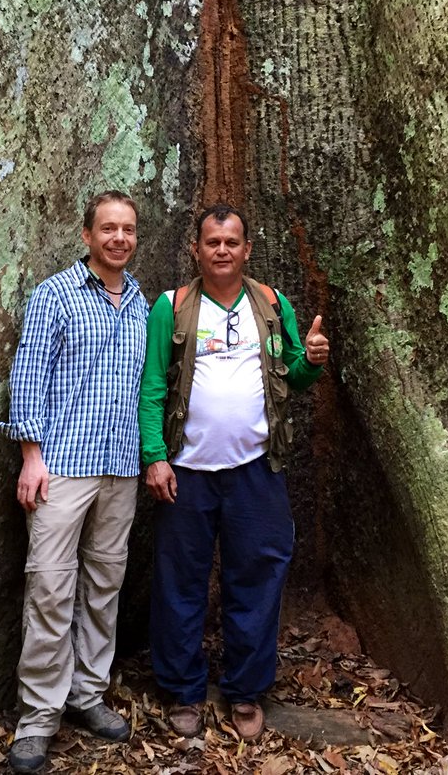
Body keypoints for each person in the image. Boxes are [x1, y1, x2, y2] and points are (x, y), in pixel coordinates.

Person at [138, 203, 329, 742]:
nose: (222, 250)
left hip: (256, 470)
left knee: (258, 578)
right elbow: (153, 387)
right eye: (212, 242)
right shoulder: (170, 307)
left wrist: (311, 358)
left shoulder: (271, 304)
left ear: (246, 250)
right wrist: (154, 456)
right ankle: (183, 690)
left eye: (232, 242)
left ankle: (245, 691)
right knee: (181, 584)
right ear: (196, 249)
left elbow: (293, 374)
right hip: (187, 472)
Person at [0, 191, 149, 773]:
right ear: (86, 235)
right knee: (51, 587)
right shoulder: (55, 295)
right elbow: (28, 375)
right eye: (107, 228)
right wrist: (31, 456)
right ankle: (37, 718)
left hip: (121, 467)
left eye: (128, 229)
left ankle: (87, 693)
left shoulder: (140, 301)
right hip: (61, 464)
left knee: (105, 585)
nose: (118, 238)